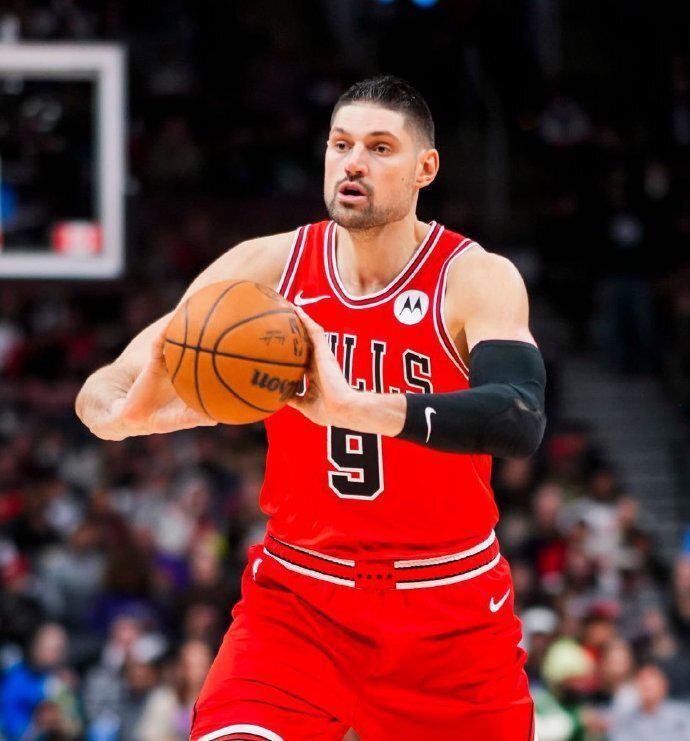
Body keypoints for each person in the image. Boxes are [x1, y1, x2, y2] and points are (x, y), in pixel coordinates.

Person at [76, 75, 546, 740]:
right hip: (300, 600)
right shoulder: (268, 267)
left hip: (448, 613)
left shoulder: (473, 277)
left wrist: (357, 407)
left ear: (425, 168)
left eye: (380, 147)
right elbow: (109, 381)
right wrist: (122, 416)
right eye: (340, 144)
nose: (353, 162)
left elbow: (519, 416)